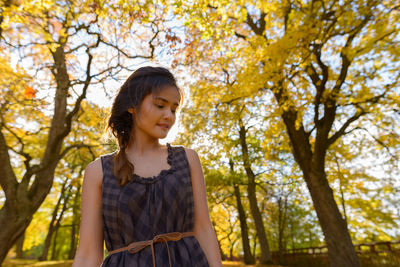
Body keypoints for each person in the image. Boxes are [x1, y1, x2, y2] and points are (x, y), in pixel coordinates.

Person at [72, 66, 222, 267]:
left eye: (174, 109)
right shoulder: (98, 172)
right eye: (160, 105)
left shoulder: (187, 159)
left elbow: (203, 229)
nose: (169, 115)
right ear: (132, 106)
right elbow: (88, 255)